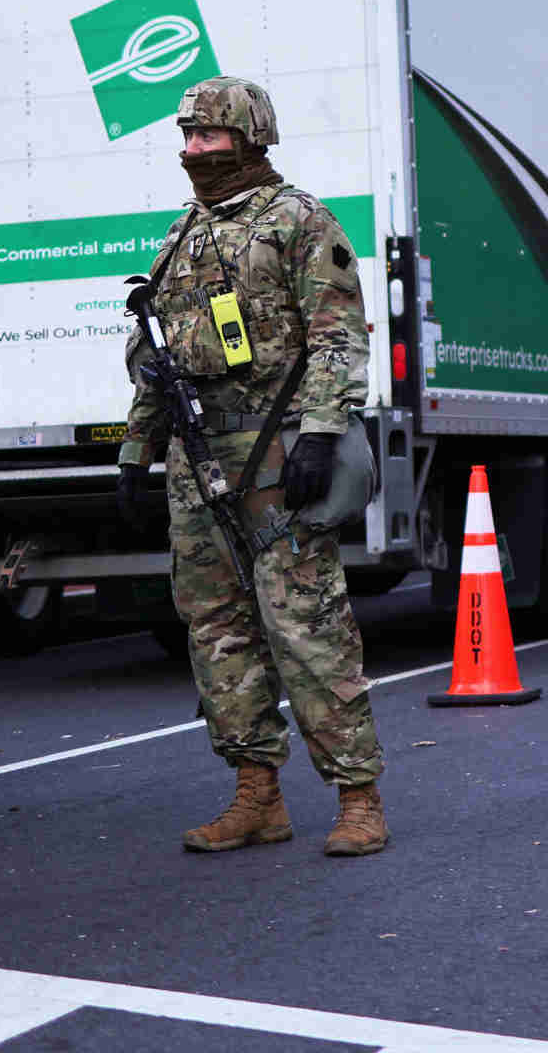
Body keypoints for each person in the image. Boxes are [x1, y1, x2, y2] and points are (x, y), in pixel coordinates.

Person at [119, 76, 387, 857]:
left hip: (277, 457)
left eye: (209, 135)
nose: (193, 149)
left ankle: (358, 797)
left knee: (308, 628)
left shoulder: (298, 222)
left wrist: (322, 431)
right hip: (196, 463)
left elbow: (338, 336)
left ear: (250, 136)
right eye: (188, 136)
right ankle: (256, 794)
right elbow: (157, 363)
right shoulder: (180, 236)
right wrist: (136, 454)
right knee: (217, 632)